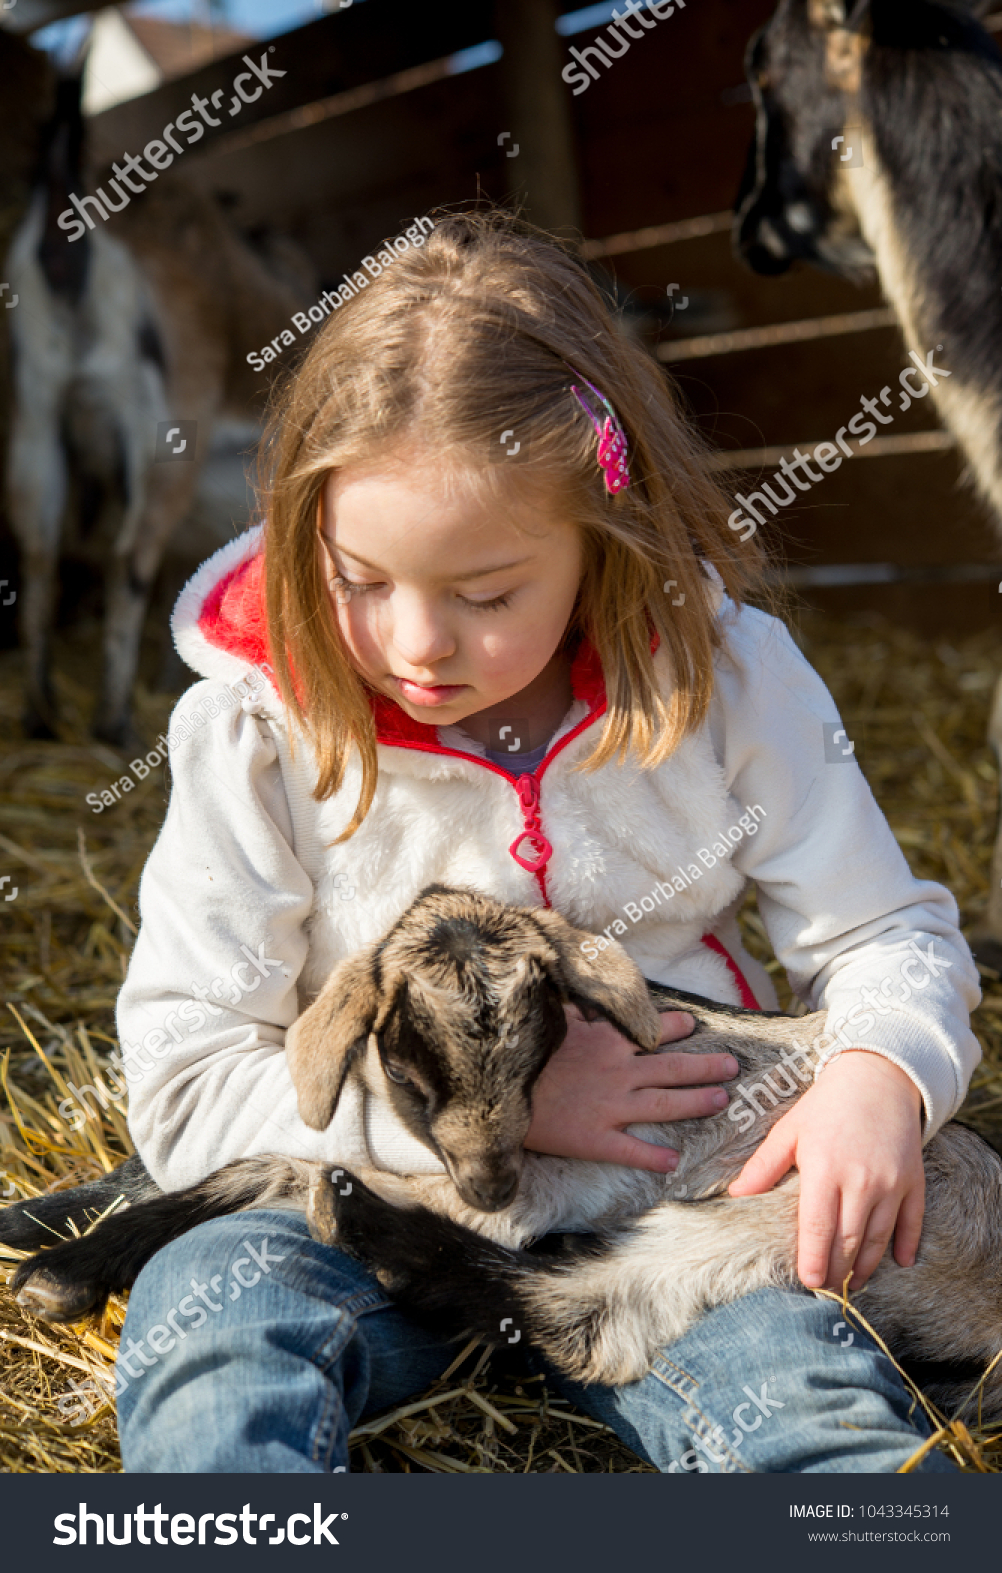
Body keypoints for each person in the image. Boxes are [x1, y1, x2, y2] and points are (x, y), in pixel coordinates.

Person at [114, 210, 978, 1474]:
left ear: (600, 532)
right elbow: (187, 1082)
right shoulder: (251, 733)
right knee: (216, 1324)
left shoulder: (724, 683)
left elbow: (886, 932)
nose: (418, 644)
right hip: (357, 1218)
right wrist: (481, 1117)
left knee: (811, 1407)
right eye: (360, 580)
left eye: (487, 594)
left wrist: (881, 1074)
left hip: (680, 1227)